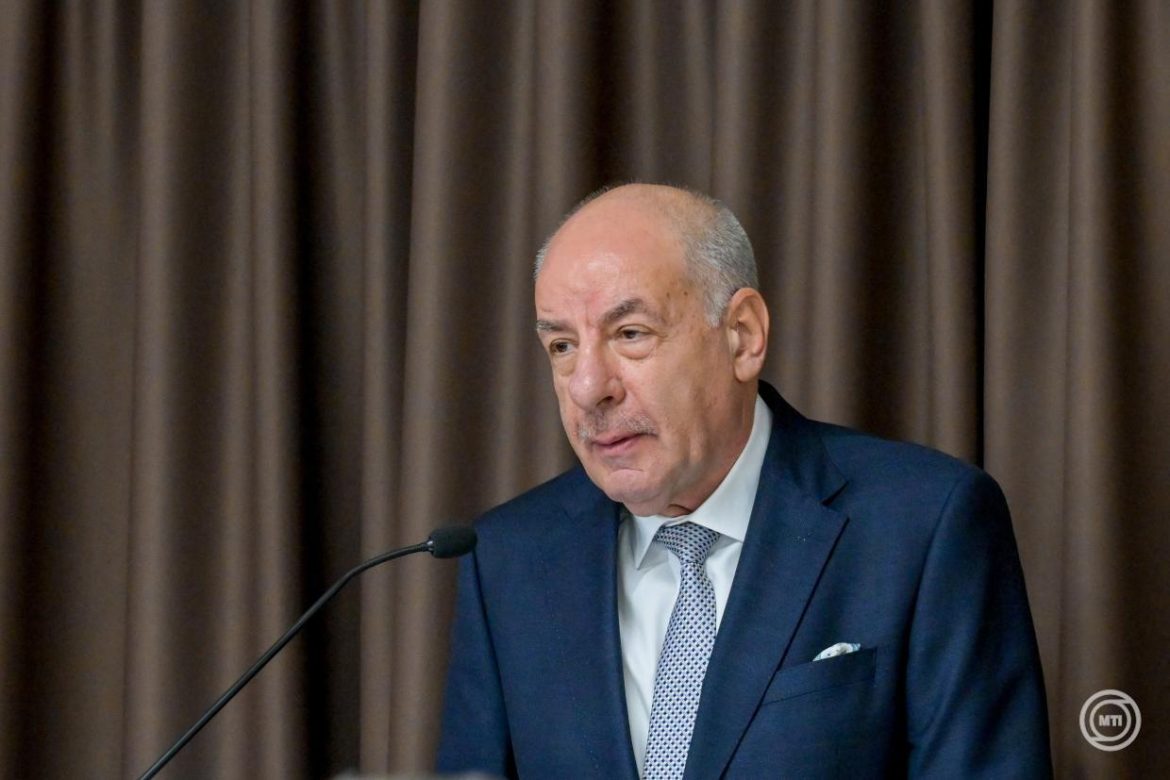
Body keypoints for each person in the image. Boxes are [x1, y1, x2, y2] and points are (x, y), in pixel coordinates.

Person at [436, 184, 1051, 778]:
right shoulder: (510, 559)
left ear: (743, 336)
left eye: (630, 334)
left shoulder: (924, 525)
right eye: (562, 346)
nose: (588, 387)